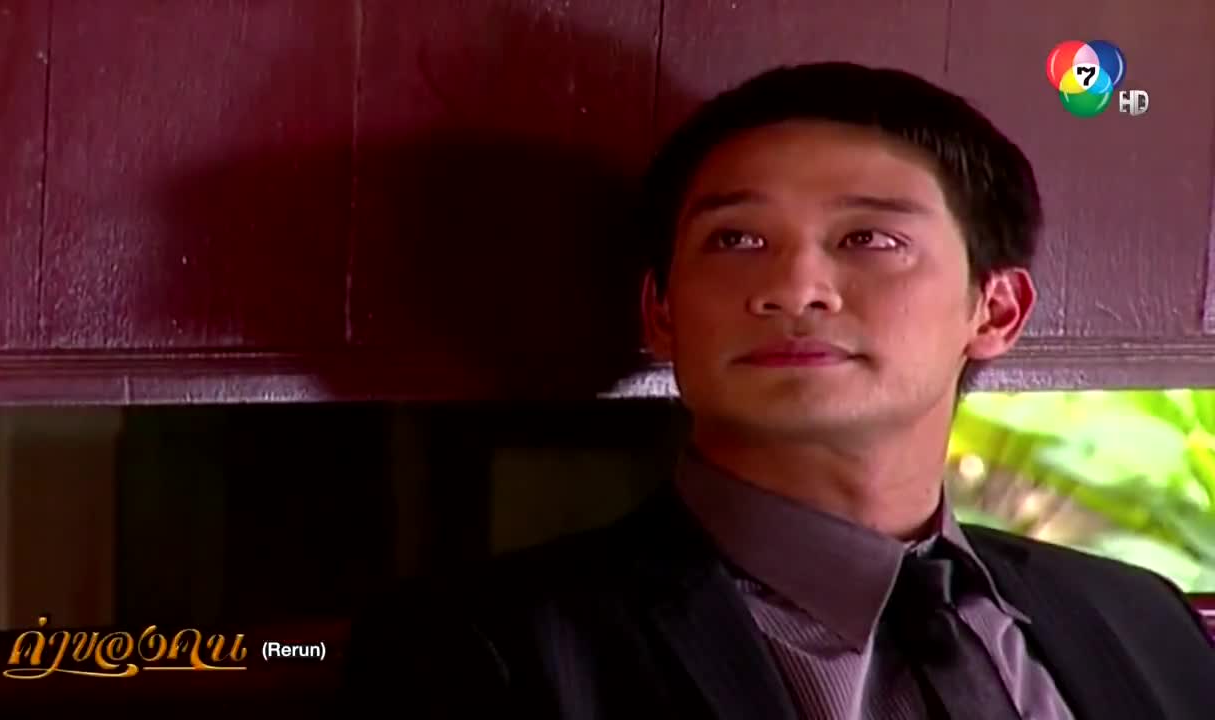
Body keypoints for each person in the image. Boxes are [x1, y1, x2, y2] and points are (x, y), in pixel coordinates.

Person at [342, 62, 1215, 719]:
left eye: (869, 239)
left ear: (996, 310)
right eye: (736, 240)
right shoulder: (490, 649)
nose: (795, 289)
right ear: (661, 312)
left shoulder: (1137, 615)